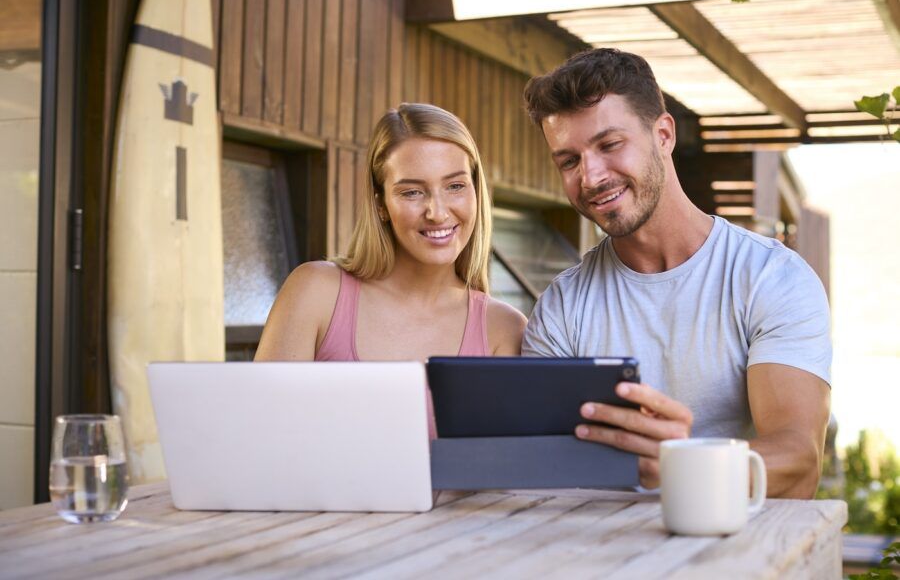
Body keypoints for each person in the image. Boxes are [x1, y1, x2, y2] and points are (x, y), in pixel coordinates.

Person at [521, 49, 831, 498]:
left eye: (609, 145)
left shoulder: (771, 278)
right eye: (569, 160)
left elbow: (799, 461)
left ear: (663, 134)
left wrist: (681, 462)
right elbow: (542, 463)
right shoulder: (562, 307)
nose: (590, 177)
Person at [255, 103, 526, 364]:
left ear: (476, 193)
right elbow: (260, 410)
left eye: (455, 186)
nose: (438, 213)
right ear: (381, 204)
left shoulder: (505, 329)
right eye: (412, 192)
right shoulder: (316, 292)